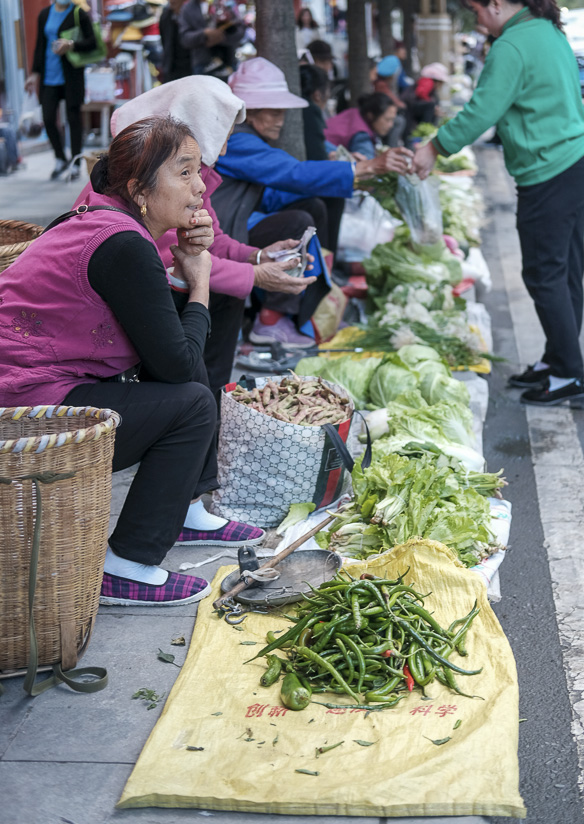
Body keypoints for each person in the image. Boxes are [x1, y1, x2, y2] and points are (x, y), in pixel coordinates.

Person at [0, 115, 266, 606]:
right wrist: (199, 282)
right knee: (191, 402)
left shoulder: (107, 222)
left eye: (197, 170)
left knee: (187, 365)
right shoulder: (122, 244)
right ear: (140, 190)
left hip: (35, 388)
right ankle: (126, 565)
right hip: (23, 411)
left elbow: (165, 343)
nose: (200, 186)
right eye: (184, 172)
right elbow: (177, 366)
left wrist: (187, 270)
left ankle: (186, 510)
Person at [413, 0, 584, 409]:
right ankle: (558, 360)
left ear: (496, 3)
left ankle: (570, 375)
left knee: (544, 275)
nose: (477, 22)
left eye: (477, 11)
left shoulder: (510, 45)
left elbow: (482, 112)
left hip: (549, 174)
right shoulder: (547, 29)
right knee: (564, 273)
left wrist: (434, 147)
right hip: (576, 162)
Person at [104, 76, 314, 391]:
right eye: (221, 137)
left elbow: (211, 239)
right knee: (195, 385)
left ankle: (210, 395)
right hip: (117, 328)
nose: (224, 150)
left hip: (148, 301)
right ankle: (207, 398)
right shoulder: (155, 189)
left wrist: (258, 256)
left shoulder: (185, 177)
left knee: (223, 296)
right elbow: (176, 262)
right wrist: (254, 275)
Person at [214, 57, 411, 347]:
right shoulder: (238, 141)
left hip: (238, 225)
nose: (281, 119)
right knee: (298, 221)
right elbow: (293, 173)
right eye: (274, 111)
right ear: (250, 111)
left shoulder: (246, 138)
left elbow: (270, 194)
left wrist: (346, 177)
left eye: (282, 111)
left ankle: (308, 310)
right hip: (224, 234)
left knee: (312, 206)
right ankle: (270, 319)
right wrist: (362, 169)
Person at [25, 0, 97, 180]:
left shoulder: (78, 14)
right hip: (49, 76)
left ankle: (75, 162)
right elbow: (40, 45)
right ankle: (59, 157)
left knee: (74, 118)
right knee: (48, 118)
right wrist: (34, 74)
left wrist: (71, 44)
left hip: (71, 76)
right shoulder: (44, 14)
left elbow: (92, 42)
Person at [178, 0, 230, 75]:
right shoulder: (187, 9)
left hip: (227, 61)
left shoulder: (224, 1)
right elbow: (185, 39)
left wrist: (221, 36)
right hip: (202, 65)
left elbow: (240, 30)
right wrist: (205, 34)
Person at [324, 91, 402, 159]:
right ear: (371, 115)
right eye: (387, 120)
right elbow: (367, 162)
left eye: (392, 120)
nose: (391, 125)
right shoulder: (361, 134)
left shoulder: (354, 113)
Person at [159, 0, 193, 81]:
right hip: (171, 66)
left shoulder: (191, 15)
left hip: (190, 66)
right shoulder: (166, 16)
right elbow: (164, 39)